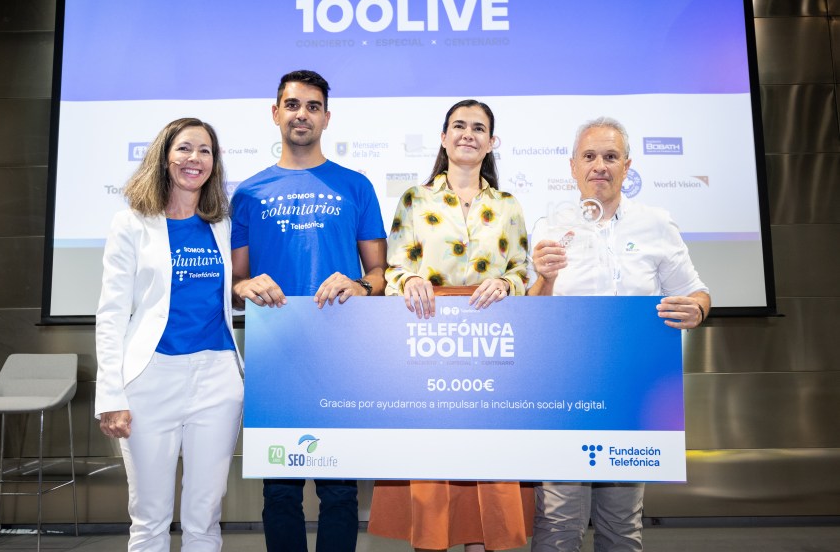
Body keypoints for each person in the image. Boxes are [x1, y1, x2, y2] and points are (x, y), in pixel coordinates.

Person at [528, 116, 710, 552]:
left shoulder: (657, 223)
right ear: (572, 166)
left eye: (611, 157)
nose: (600, 166)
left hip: (631, 394)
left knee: (622, 527)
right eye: (589, 156)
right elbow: (532, 313)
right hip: (565, 393)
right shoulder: (549, 226)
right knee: (556, 525)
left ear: (627, 167)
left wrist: (698, 309)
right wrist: (545, 277)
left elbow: (698, 293)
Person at [230, 69, 387, 552]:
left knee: (340, 492)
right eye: (293, 104)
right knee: (279, 492)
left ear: (326, 118)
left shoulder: (355, 186)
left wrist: (359, 284)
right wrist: (245, 284)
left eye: (313, 106)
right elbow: (236, 284)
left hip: (342, 353)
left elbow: (381, 275)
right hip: (274, 353)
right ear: (276, 113)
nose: (302, 114)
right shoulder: (248, 193)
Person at [367, 99, 534, 552]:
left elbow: (523, 271)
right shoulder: (414, 199)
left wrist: (504, 282)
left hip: (491, 344)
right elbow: (393, 270)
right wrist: (411, 279)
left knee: (489, 460)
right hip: (430, 341)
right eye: (458, 126)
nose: (468, 134)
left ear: (491, 143)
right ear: (443, 138)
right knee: (433, 464)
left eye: (479, 128)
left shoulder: (508, 205)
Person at [95, 118, 244, 552]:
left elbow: (230, 292)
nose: (194, 159)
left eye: (205, 151)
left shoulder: (223, 223)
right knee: (149, 519)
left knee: (205, 517)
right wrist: (111, 396)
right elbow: (111, 313)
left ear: (214, 164)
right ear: (164, 157)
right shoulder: (131, 224)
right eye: (184, 149)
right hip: (150, 379)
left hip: (217, 378)